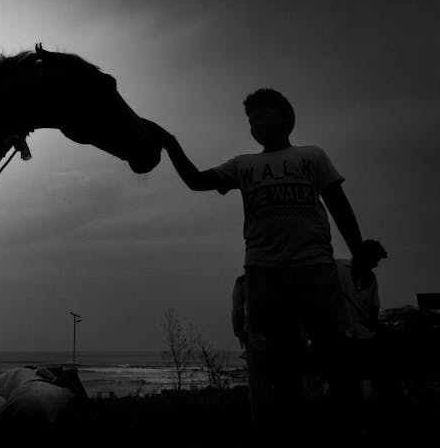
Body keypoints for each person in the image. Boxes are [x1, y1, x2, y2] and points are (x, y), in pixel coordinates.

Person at [150, 88, 367, 445]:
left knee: (335, 352)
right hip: (263, 272)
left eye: (262, 115)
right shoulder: (242, 164)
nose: (255, 124)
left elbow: (339, 204)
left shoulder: (312, 156)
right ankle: (293, 430)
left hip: (314, 266)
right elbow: (196, 181)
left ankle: (352, 427)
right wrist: (171, 144)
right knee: (282, 360)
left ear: (287, 118)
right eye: (250, 120)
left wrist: (358, 253)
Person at [336, 239, 388, 397]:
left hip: (364, 337)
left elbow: (374, 307)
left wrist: (373, 323)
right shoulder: (337, 268)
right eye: (374, 261)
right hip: (340, 334)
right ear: (365, 258)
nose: (376, 266)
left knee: (367, 372)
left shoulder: (372, 279)